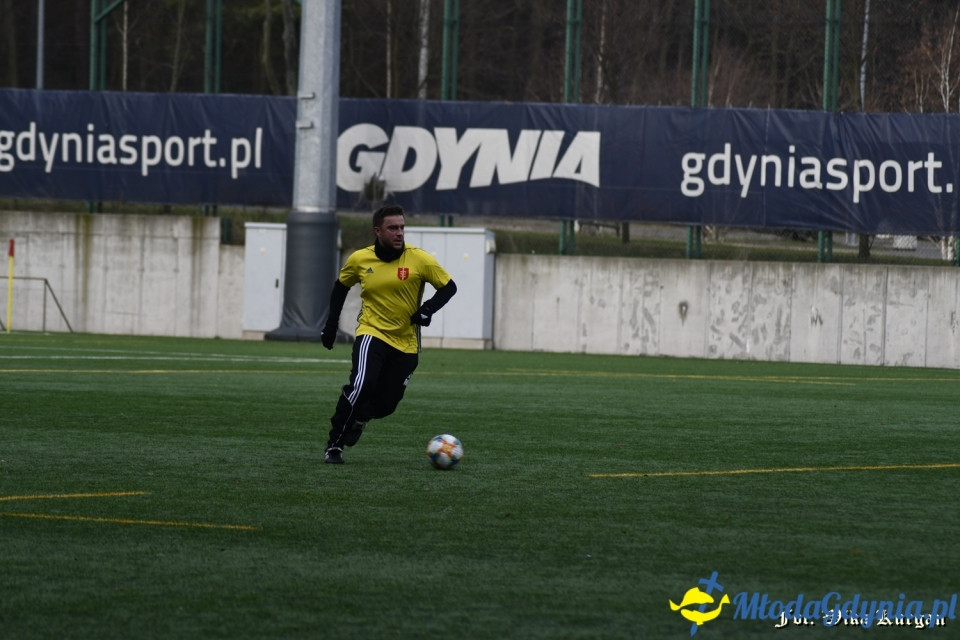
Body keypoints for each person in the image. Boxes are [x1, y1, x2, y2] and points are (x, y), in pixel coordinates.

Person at [319, 205, 457, 464]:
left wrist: (427, 310)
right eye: (393, 228)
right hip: (372, 332)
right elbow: (341, 287)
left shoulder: (420, 259)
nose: (399, 233)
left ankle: (359, 418)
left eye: (402, 227)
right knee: (361, 385)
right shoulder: (360, 259)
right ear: (378, 231)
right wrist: (330, 325)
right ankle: (334, 445)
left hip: (406, 342)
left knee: (386, 405)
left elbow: (449, 287)